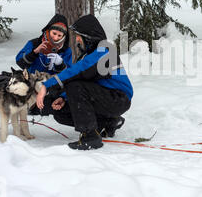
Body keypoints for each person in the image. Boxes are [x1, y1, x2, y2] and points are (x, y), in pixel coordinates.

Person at [35, 14, 133, 150]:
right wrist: (63, 97)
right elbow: (84, 78)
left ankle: (90, 137)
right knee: (61, 112)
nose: (77, 40)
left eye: (79, 36)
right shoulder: (91, 55)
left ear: (88, 37)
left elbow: (76, 72)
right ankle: (107, 123)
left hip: (119, 98)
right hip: (106, 97)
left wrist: (47, 86)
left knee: (74, 86)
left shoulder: (105, 51)